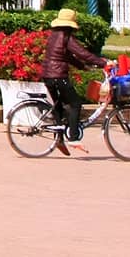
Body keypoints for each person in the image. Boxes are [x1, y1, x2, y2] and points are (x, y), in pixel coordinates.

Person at [42, 8, 107, 153]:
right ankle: (73, 138)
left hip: (47, 75)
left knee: (59, 107)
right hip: (58, 76)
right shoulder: (66, 37)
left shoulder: (53, 36)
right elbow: (82, 53)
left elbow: (68, 57)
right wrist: (103, 63)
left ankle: (59, 139)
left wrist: (82, 67)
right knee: (76, 103)